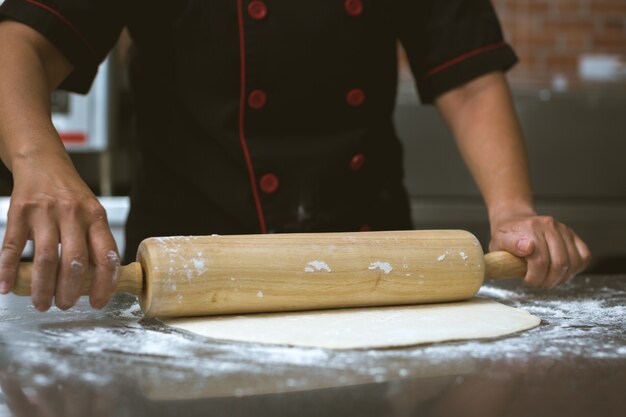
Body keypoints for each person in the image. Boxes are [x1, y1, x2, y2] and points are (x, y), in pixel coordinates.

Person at [0, 0, 591, 312]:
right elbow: (20, 40)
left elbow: (468, 78)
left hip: (379, 277)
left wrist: (512, 209)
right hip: (189, 273)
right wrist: (38, 160)